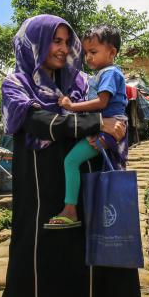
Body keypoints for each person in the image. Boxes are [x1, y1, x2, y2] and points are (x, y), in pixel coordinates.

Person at [0, 14, 143, 297]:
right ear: (35, 43)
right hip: (40, 200)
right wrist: (94, 122)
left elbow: (112, 117)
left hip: (86, 195)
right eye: (55, 40)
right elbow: (37, 123)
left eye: (67, 42)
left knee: (93, 274)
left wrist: (102, 125)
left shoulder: (81, 82)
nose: (64, 49)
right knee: (42, 272)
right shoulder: (17, 84)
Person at [46, 25, 128, 229]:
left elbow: (102, 103)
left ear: (112, 53)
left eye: (94, 52)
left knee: (71, 162)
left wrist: (72, 106)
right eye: (86, 53)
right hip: (103, 126)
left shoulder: (109, 73)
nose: (88, 58)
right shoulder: (101, 74)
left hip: (109, 128)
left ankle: (70, 209)